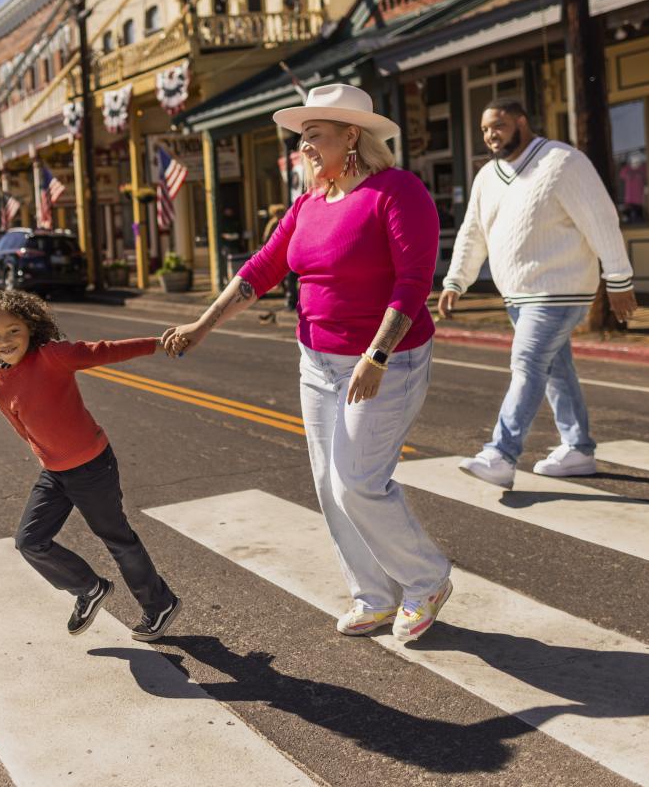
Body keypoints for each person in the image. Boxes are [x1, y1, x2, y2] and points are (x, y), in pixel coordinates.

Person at [162, 83, 452, 643]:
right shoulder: (308, 204)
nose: (305, 148)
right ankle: (374, 595)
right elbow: (262, 269)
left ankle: (427, 579)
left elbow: (413, 281)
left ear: (352, 135)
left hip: (384, 362)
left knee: (357, 483)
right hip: (316, 362)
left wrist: (377, 353)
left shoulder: (397, 191)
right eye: (302, 139)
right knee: (327, 482)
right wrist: (203, 324)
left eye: (314, 136)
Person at [439, 98, 636, 491]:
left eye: (498, 125)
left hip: (559, 290)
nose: (490, 135)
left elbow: (601, 220)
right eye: (484, 129)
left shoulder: (563, 162)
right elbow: (473, 232)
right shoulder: (487, 177)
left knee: (527, 362)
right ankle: (578, 448)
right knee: (556, 371)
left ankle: (501, 453)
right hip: (517, 295)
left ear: (522, 123)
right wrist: (455, 281)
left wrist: (619, 279)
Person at [0, 290, 181, 641]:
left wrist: (158, 343)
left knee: (117, 540)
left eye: (13, 331)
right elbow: (25, 431)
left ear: (31, 328)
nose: (5, 341)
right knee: (29, 541)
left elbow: (106, 351)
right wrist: (53, 462)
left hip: (93, 466)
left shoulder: (53, 356)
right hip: (54, 473)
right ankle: (89, 588)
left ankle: (159, 604)